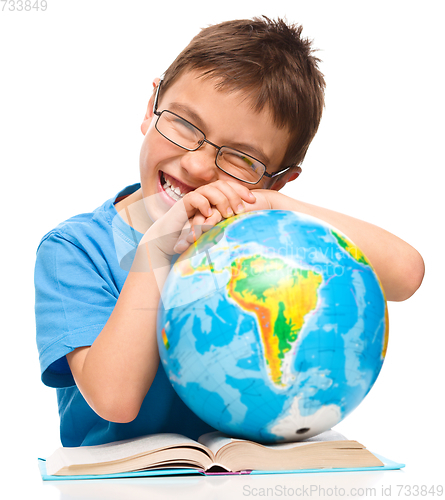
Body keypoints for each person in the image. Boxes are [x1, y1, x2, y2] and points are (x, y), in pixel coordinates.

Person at [35, 17, 424, 447]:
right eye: (184, 124)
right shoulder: (74, 250)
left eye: (241, 158)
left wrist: (273, 206)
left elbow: (406, 274)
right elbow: (115, 400)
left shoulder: (265, 238)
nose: (199, 166)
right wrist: (157, 248)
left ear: (275, 179)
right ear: (152, 108)